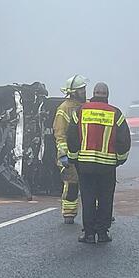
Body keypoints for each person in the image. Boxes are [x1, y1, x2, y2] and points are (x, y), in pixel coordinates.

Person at [66, 82, 130, 243]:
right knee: (105, 199)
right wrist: (120, 159)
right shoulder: (116, 113)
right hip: (107, 166)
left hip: (85, 165)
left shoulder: (80, 111)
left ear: (93, 93)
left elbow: (72, 136)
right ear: (107, 95)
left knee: (88, 198)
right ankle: (102, 234)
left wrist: (73, 158)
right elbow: (124, 140)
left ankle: (88, 234)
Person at [53, 74, 87, 224]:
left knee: (91, 184)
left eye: (84, 88)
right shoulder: (64, 109)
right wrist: (63, 155)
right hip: (70, 156)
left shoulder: (86, 106)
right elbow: (60, 134)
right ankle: (69, 214)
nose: (84, 91)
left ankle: (99, 213)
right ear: (73, 92)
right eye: (81, 89)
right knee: (72, 185)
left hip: (86, 153)